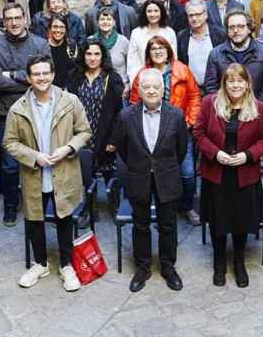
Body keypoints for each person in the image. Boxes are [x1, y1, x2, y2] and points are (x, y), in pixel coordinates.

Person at [2, 55, 91, 291]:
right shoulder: (17, 108)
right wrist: (34, 157)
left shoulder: (70, 101)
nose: (41, 78)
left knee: (64, 218)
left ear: (52, 75)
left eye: (45, 73)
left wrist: (68, 148)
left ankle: (66, 265)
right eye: (36, 74)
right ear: (29, 78)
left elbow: (84, 131)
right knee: (34, 219)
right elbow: (9, 142)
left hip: (63, 170)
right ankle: (40, 263)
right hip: (34, 173)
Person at [110, 68, 189, 293]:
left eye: (156, 86)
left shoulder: (176, 115)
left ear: (163, 89)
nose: (151, 90)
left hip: (168, 177)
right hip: (138, 176)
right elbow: (122, 149)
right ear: (139, 90)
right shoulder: (126, 116)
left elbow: (181, 149)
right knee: (140, 224)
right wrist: (141, 164)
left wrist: (163, 166)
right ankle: (142, 267)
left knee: (168, 224)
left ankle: (168, 267)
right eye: (147, 87)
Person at [194, 64, 263, 287]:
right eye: (230, 81)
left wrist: (248, 156)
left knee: (241, 220)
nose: (235, 85)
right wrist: (215, 153)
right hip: (216, 172)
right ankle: (219, 262)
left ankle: (239, 262)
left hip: (244, 174)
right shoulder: (210, 103)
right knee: (217, 220)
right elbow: (198, 132)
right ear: (224, 83)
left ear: (247, 83)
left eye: (240, 81)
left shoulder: (259, 107)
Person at [0, 2, 51, 226]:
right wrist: (30, 80)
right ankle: (12, 205)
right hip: (7, 114)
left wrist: (11, 75)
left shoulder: (40, 44)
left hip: (39, 110)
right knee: (10, 165)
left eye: (17, 18)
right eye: (9, 19)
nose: (13, 23)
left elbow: (46, 79)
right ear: (3, 22)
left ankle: (43, 203)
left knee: (41, 160)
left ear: (25, 19)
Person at [129, 36, 202, 225]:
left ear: (168, 49)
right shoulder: (142, 74)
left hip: (179, 130)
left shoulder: (182, 70)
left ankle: (187, 206)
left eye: (161, 47)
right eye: (153, 48)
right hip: (151, 132)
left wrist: (189, 121)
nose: (158, 51)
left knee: (186, 172)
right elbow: (134, 102)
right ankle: (161, 205)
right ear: (149, 53)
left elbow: (194, 96)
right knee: (155, 172)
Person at [67, 39, 125, 186]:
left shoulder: (112, 78)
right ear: (83, 55)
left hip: (104, 135)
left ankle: (112, 206)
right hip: (80, 134)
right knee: (82, 177)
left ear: (103, 56)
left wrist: (113, 140)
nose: (92, 58)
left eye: (97, 54)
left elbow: (119, 113)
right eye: (88, 54)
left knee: (108, 178)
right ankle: (86, 206)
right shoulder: (75, 77)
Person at [204, 10, 263, 108]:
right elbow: (211, 87)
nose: (236, 31)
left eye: (240, 26)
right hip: (226, 112)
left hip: (256, 113)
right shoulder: (215, 54)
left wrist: (256, 108)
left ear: (249, 28)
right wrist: (225, 108)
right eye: (231, 27)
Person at [177, 0, 227, 94]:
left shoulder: (220, 35)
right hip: (191, 91)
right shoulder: (182, 37)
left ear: (206, 15)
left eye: (198, 14)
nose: (194, 18)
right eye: (191, 15)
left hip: (216, 90)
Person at [126, 0, 177, 81]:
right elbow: (132, 62)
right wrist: (135, 82)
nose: (152, 14)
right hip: (143, 80)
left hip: (166, 80)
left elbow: (173, 60)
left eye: (156, 11)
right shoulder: (136, 33)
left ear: (161, 12)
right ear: (144, 13)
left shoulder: (169, 33)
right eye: (149, 11)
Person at [89, 6, 131, 92]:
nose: (105, 22)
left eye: (108, 19)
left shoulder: (123, 41)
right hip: (97, 89)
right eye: (102, 19)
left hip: (120, 89)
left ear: (114, 22)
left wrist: (127, 85)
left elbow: (130, 66)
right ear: (97, 22)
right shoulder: (90, 41)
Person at [45, 14, 79, 89]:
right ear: (50, 28)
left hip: (69, 90)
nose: (58, 30)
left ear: (66, 29)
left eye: (62, 27)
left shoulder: (71, 45)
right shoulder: (43, 47)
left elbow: (76, 70)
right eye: (55, 27)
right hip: (50, 89)